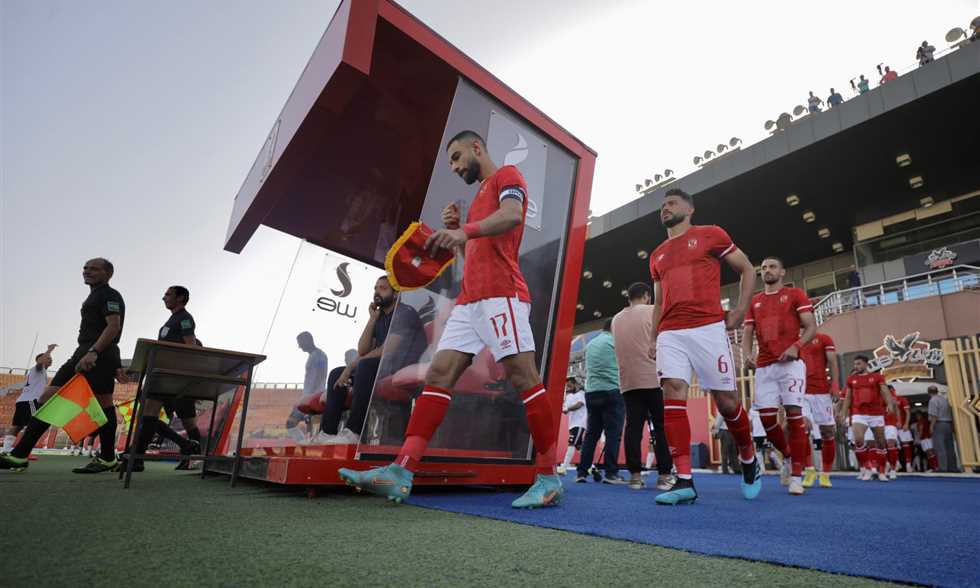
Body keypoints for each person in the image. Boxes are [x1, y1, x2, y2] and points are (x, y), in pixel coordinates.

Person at [339, 130, 562, 509]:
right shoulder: (478, 199)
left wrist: (463, 230)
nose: (455, 167)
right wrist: (460, 230)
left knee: (525, 378)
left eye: (457, 157)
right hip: (468, 302)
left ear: (477, 147)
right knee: (439, 375)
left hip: (502, 295)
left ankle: (549, 477)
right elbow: (473, 252)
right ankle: (401, 471)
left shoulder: (508, 175)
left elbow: (512, 215)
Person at [649, 188, 762, 505]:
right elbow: (658, 302)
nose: (665, 208)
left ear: (690, 209)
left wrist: (741, 310)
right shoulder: (657, 254)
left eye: (672, 203)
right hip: (671, 332)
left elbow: (747, 268)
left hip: (708, 327)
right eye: (662, 205)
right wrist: (653, 337)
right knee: (672, 392)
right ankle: (684, 480)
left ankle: (748, 456)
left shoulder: (711, 234)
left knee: (726, 402)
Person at [2, 258, 125, 473]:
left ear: (108, 274)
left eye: (94, 269)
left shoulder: (109, 294)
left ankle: (107, 458)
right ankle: (20, 454)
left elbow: (113, 327)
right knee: (48, 397)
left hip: (96, 354)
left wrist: (94, 352)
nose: (87, 271)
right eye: (85, 268)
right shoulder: (95, 295)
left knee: (103, 404)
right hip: (84, 352)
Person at [316, 276, 426, 444]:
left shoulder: (405, 313)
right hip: (381, 366)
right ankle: (327, 432)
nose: (377, 292)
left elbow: (388, 349)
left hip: (402, 363)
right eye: (375, 288)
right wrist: (372, 319)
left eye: (383, 288)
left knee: (364, 365)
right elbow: (363, 349)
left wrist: (351, 367)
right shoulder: (380, 317)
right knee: (336, 373)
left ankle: (354, 431)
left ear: (395, 293)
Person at [743, 257, 817, 496]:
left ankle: (797, 476)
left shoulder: (795, 294)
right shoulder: (755, 301)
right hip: (765, 367)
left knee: (795, 416)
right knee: (766, 421)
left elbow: (811, 327)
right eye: (763, 268)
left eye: (772, 266)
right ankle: (788, 456)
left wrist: (797, 346)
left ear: (782, 272)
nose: (767, 270)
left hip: (791, 365)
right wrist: (747, 353)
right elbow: (747, 332)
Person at [122, 286, 204, 472]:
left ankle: (191, 455)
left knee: (185, 421)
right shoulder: (172, 319)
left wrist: (188, 379)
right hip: (163, 376)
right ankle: (140, 457)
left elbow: (191, 347)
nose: (164, 298)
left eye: (168, 294)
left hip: (174, 378)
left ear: (180, 298)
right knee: (147, 415)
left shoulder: (185, 318)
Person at [612, 282, 674, 491]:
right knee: (661, 427)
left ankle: (635, 477)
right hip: (653, 378)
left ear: (629, 297)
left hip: (628, 381)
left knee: (633, 428)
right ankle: (664, 476)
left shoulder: (616, 319)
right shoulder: (653, 311)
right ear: (647, 295)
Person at [575, 319, 627, 485]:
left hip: (592, 392)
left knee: (591, 434)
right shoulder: (616, 342)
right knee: (613, 434)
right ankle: (611, 473)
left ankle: (581, 473)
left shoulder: (591, 344)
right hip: (612, 390)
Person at [840, 356, 897, 482]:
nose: (856, 366)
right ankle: (867, 468)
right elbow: (848, 397)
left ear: (866, 364)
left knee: (880, 443)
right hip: (859, 413)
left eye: (859, 364)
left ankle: (882, 472)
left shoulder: (877, 377)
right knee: (858, 440)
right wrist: (843, 411)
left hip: (876, 413)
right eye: (855, 364)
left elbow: (885, 391)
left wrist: (889, 404)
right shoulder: (851, 379)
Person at [799, 330, 840, 487]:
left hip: (822, 391)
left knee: (827, 432)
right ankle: (809, 470)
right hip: (801, 391)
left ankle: (825, 474)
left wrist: (835, 384)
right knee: (802, 427)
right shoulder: (794, 339)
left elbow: (833, 362)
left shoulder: (824, 338)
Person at [2, 345, 56, 454]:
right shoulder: (38, 369)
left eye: (51, 358)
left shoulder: (41, 373)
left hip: (22, 401)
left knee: (17, 426)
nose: (50, 359)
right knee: (32, 425)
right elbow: (40, 362)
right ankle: (22, 451)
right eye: (48, 358)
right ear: (40, 360)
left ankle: (6, 449)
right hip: (31, 401)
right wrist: (49, 350)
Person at [285, 332, 328, 443]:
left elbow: (318, 376)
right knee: (308, 425)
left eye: (300, 343)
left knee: (291, 423)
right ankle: (305, 443)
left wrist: (308, 398)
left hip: (312, 397)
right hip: (310, 397)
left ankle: (304, 444)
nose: (299, 346)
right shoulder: (315, 355)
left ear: (307, 341)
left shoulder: (319, 355)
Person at [557, 376, 585, 476]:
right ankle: (592, 468)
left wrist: (567, 409)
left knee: (571, 443)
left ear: (575, 384)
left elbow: (580, 404)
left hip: (579, 423)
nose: (568, 388)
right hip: (572, 424)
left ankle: (564, 468)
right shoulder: (569, 396)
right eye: (567, 386)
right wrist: (564, 409)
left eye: (569, 386)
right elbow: (565, 410)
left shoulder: (581, 394)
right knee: (579, 446)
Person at [927, 386, 958, 472]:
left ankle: (943, 468)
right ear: (937, 391)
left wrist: (931, 426)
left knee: (940, 447)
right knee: (950, 447)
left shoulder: (933, 400)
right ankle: (952, 467)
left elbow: (934, 415)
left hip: (939, 424)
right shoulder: (944, 400)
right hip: (948, 423)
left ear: (928, 392)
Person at [882, 385, 909, 479]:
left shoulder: (893, 398)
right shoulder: (877, 396)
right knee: (882, 446)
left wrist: (899, 421)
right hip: (879, 423)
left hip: (890, 423)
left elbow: (897, 409)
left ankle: (893, 469)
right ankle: (886, 464)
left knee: (891, 444)